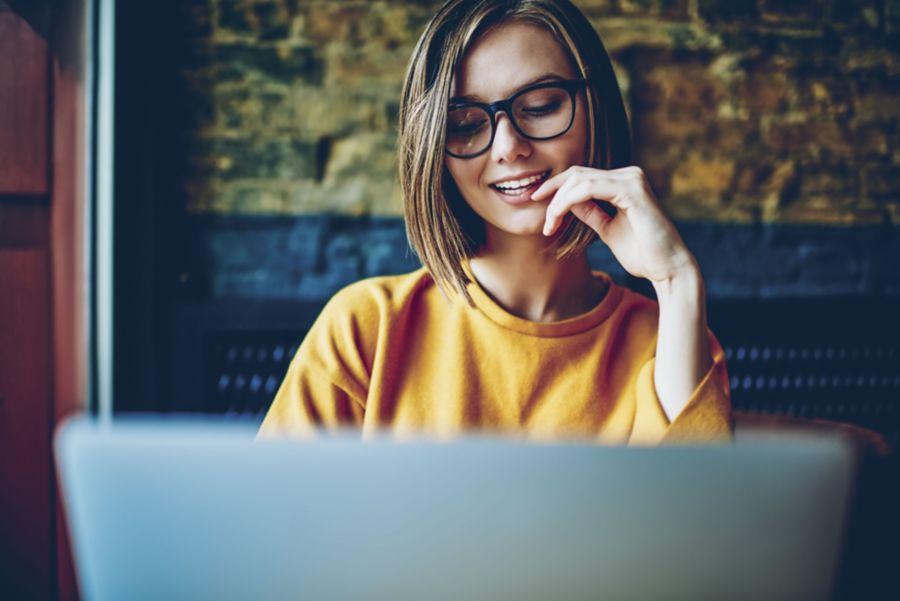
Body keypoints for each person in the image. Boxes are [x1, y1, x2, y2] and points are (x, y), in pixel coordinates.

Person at [260, 0, 732, 444]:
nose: (508, 147)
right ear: (436, 149)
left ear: (597, 110)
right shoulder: (365, 328)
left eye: (541, 106)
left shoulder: (671, 338)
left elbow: (695, 502)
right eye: (466, 124)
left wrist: (676, 280)